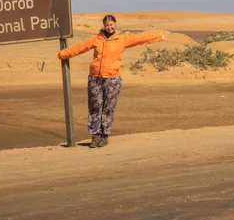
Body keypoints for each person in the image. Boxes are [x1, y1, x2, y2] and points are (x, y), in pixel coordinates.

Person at [58, 15, 168, 148]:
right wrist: (63, 54)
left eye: (111, 24)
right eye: (107, 25)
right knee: (94, 107)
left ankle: (105, 136)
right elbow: (80, 47)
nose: (109, 27)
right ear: (104, 26)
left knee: (108, 108)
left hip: (112, 79)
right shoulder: (96, 39)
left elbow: (139, 39)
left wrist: (159, 36)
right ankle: (95, 136)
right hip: (95, 79)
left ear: (115, 24)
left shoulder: (122, 39)